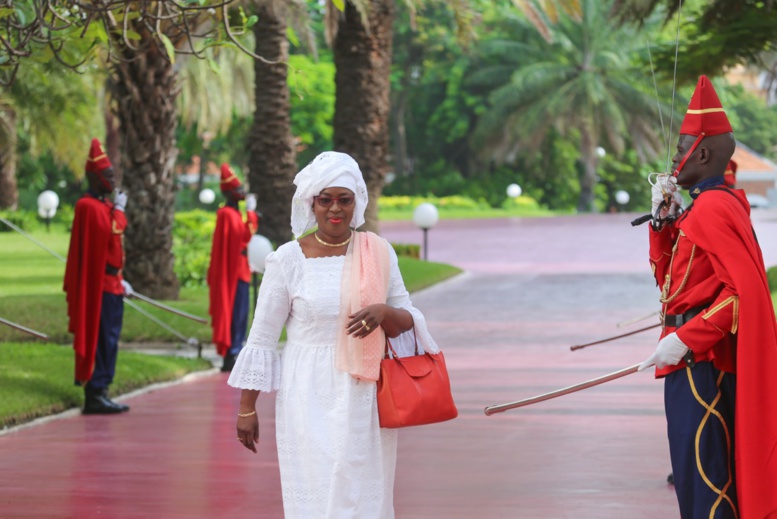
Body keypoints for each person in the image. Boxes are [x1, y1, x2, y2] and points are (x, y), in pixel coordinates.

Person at [227, 151, 439, 518]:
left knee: (362, 491)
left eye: (344, 199)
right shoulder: (288, 260)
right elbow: (262, 339)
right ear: (312, 203)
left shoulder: (378, 252)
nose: (335, 209)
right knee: (318, 487)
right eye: (325, 200)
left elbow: (410, 320)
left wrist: (385, 313)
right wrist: (247, 408)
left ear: (357, 201)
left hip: (365, 392)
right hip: (307, 391)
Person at [639, 76, 777, 518]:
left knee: (706, 478)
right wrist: (663, 225)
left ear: (701, 153)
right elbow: (673, 287)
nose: (674, 159)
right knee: (692, 471)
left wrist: (687, 338)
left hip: (702, 363)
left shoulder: (714, 207)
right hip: (688, 358)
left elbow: (741, 295)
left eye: (680, 150)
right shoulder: (704, 206)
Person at [64, 138, 132, 414]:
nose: (112, 181)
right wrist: (119, 211)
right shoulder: (88, 206)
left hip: (112, 283)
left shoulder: (103, 206)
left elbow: (113, 248)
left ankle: (103, 387)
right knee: (101, 338)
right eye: (107, 176)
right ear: (94, 177)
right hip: (98, 286)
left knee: (111, 338)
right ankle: (94, 392)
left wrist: (121, 278)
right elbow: (110, 232)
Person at [208, 163, 259, 372]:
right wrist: (252, 214)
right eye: (238, 190)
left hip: (241, 270)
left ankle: (237, 349)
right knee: (235, 312)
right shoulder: (227, 214)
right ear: (229, 193)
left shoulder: (235, 214)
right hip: (233, 272)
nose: (242, 193)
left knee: (241, 313)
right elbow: (243, 238)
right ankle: (231, 352)